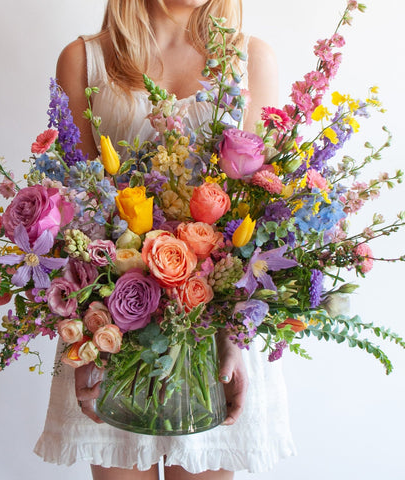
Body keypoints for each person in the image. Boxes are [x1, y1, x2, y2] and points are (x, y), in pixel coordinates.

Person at [34, 1, 295, 478]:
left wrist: (233, 336)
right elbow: (72, 212)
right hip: (113, 321)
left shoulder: (252, 57)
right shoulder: (85, 59)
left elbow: (258, 208)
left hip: (213, 327)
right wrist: (89, 337)